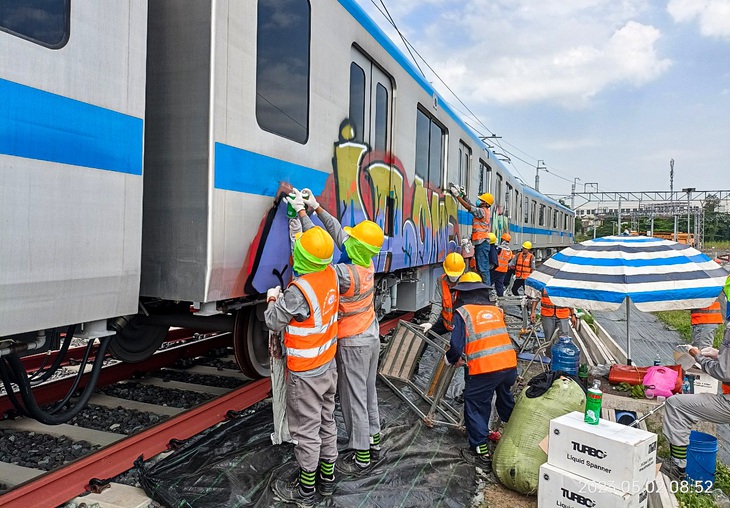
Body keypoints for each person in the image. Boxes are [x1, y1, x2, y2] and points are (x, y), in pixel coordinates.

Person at [294, 189, 385, 475]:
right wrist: (316, 208)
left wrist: (300, 217)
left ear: (356, 247)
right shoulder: (366, 262)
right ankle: (374, 438)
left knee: (353, 397)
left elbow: (316, 258)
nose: (348, 240)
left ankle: (361, 455)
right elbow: (336, 233)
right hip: (371, 336)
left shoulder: (344, 274)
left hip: (354, 343)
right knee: (368, 392)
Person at [264, 226, 340, 506]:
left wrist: (273, 298)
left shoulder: (299, 291)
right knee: (327, 420)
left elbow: (273, 320)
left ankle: (307, 491)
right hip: (327, 366)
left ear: (301, 258)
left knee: (306, 430)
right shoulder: (330, 274)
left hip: (306, 372)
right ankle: (328, 481)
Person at [445, 272, 518, 467]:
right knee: (504, 396)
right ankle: (516, 432)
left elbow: (456, 346)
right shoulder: (496, 310)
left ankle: (480, 449)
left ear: (462, 293)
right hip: (509, 365)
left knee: (476, 404)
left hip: (485, 369)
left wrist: (451, 359)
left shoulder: (462, 313)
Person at [449, 184, 494, 285]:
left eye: (481, 200)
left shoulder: (482, 212)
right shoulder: (483, 211)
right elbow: (472, 206)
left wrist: (457, 196)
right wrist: (464, 196)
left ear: (485, 203)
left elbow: (469, 207)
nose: (479, 201)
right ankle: (486, 288)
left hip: (482, 242)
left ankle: (488, 290)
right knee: (481, 266)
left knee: (482, 267)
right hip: (481, 242)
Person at [420, 252, 466, 336]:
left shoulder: (467, 283)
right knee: (425, 335)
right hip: (447, 324)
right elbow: (437, 303)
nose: (453, 277)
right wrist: (431, 322)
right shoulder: (441, 281)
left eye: (456, 275)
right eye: (451, 274)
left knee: (456, 347)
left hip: (462, 327)